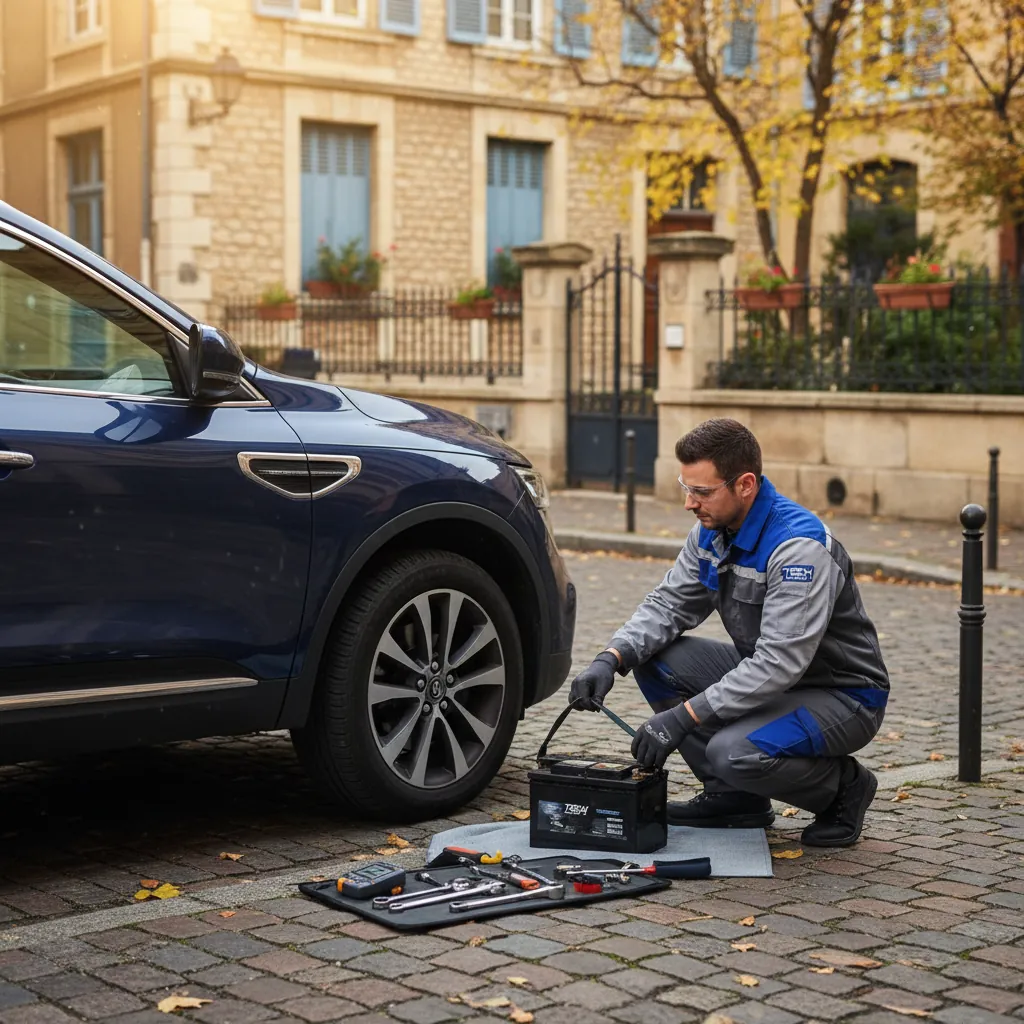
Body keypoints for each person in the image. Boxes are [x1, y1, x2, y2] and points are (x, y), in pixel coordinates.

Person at [569, 418, 889, 847]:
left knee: (733, 751)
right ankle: (734, 799)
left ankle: (845, 787)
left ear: (746, 485)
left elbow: (779, 663)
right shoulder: (712, 530)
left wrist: (683, 718)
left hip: (843, 695)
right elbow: (669, 604)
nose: (689, 503)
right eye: (685, 487)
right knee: (657, 660)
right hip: (773, 679)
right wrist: (611, 658)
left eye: (701, 491)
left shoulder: (798, 548)